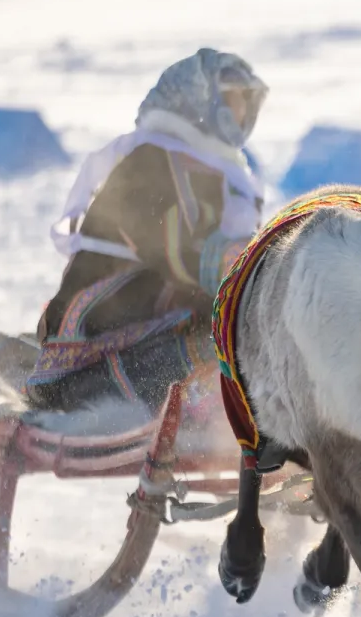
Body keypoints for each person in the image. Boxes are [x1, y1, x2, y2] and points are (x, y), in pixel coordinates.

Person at [25, 50, 267, 417]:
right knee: (215, 325)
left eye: (245, 104)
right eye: (232, 102)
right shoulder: (149, 157)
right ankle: (101, 393)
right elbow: (165, 247)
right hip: (101, 315)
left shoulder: (216, 172)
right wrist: (235, 264)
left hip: (153, 301)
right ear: (201, 100)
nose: (240, 115)